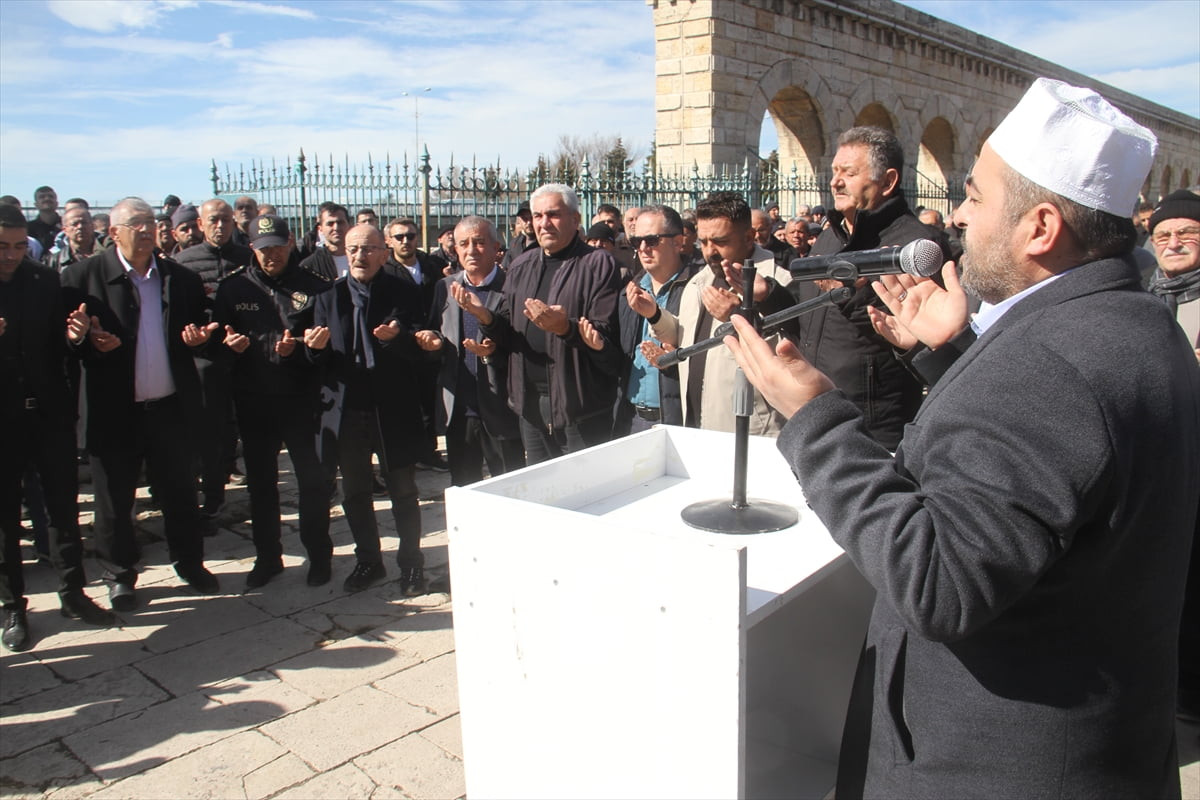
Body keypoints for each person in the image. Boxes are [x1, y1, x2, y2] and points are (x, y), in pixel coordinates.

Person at [724, 77, 1199, 798]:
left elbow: (940, 583)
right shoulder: (1132, 323)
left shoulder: (1052, 363)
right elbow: (1042, 488)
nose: (956, 217)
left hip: (999, 765)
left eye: (975, 197)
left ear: (1040, 227)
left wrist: (816, 418)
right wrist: (947, 357)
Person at [61, 198, 221, 610]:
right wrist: (83, 340)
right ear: (114, 233)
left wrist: (199, 340)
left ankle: (189, 562)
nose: (149, 230)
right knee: (114, 501)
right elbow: (62, 346)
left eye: (153, 222)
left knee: (180, 492)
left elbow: (200, 329)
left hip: (168, 407)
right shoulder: (82, 277)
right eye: (138, 224)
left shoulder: (178, 278)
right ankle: (120, 574)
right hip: (114, 411)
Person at [790, 126, 948, 450]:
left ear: (887, 182)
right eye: (834, 171)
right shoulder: (829, 235)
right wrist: (769, 297)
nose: (835, 182)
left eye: (849, 173)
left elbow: (922, 339)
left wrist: (851, 297)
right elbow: (808, 316)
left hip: (873, 428)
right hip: (815, 410)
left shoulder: (916, 247)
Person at [1, 205, 114, 652]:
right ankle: (13, 604)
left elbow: (65, 347)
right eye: (1, 248)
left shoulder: (45, 281)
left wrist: (75, 336)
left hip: (48, 413)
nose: (10, 256)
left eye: (15, 246)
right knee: (7, 517)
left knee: (64, 510)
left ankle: (73, 591)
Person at [210, 215, 333, 589]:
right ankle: (268, 556)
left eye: (279, 246)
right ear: (252, 248)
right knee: (261, 485)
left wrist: (300, 352)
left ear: (292, 242)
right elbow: (217, 347)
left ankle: (319, 555)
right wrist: (230, 349)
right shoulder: (233, 289)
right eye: (264, 248)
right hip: (255, 402)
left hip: (302, 401)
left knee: (313, 481)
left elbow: (328, 351)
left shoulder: (315, 288)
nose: (272, 254)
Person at [308, 224, 428, 595]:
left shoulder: (403, 292)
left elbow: (422, 348)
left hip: (392, 405)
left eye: (368, 248)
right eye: (353, 249)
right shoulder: (328, 296)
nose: (360, 256)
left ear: (383, 252)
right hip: (348, 409)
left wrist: (400, 339)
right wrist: (314, 349)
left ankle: (411, 564)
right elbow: (317, 357)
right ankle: (369, 561)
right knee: (355, 492)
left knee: (403, 491)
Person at [468, 183, 623, 463]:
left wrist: (565, 328)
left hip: (581, 408)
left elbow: (604, 333)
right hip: (531, 408)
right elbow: (507, 328)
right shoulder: (521, 265)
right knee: (543, 492)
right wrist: (485, 318)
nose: (543, 223)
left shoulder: (598, 264)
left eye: (553, 215)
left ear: (575, 220)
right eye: (537, 216)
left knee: (584, 492)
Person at [646, 191, 792, 435]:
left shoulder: (778, 283)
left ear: (748, 237)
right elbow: (686, 336)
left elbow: (788, 354)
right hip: (698, 424)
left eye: (720, 242)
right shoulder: (699, 281)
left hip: (749, 431)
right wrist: (654, 315)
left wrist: (736, 316)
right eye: (703, 242)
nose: (709, 251)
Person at [416, 216, 525, 485]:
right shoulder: (445, 287)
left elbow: (520, 342)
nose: (471, 250)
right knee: (464, 485)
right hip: (460, 409)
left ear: (496, 247)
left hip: (502, 407)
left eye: (479, 242)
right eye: (463, 243)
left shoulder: (512, 286)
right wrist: (433, 342)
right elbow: (439, 335)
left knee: (509, 487)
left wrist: (491, 350)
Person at [610, 205, 698, 435]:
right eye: (636, 241)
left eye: (651, 240)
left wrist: (673, 361)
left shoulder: (698, 288)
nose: (642, 249)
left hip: (679, 419)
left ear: (678, 242)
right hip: (632, 418)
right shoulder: (630, 290)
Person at [381, 217, 448, 472]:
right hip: (401, 346)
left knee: (430, 400)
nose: (405, 241)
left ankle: (428, 451)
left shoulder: (432, 265)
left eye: (410, 236)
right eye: (399, 237)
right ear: (389, 241)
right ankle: (407, 454)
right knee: (405, 404)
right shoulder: (385, 270)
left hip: (431, 344)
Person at [300, 202, 350, 281]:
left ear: (349, 225)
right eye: (330, 223)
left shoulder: (365, 258)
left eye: (340, 222)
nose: (336, 228)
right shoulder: (309, 266)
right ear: (320, 229)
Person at [27, 186, 61, 252]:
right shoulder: (28, 228)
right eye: (42, 197)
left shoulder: (67, 226)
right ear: (36, 204)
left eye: (51, 196)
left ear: (57, 204)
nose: (47, 199)